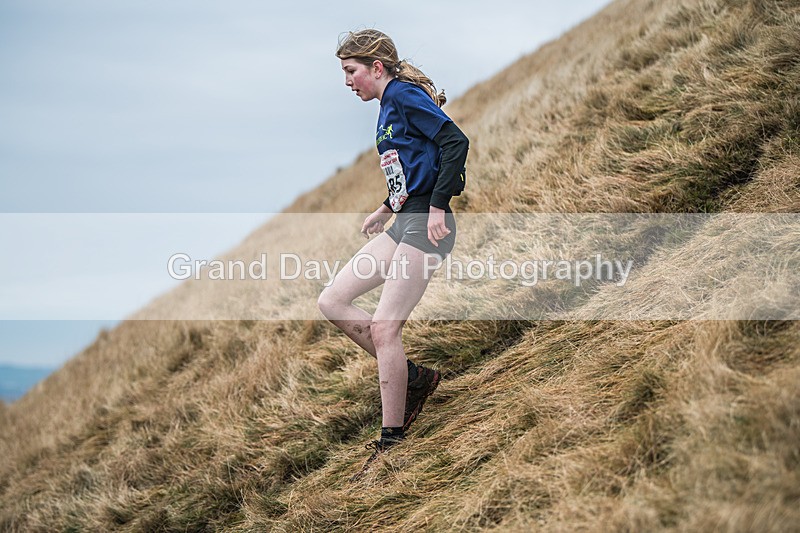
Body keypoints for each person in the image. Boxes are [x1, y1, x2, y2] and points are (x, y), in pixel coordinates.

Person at [317, 29, 469, 478]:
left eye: (351, 71)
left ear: (376, 68)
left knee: (385, 329)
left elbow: (454, 142)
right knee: (332, 300)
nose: (347, 81)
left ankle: (391, 440)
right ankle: (414, 377)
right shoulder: (386, 107)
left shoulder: (401, 95)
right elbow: (411, 162)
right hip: (404, 221)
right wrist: (386, 207)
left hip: (427, 224)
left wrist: (439, 205)